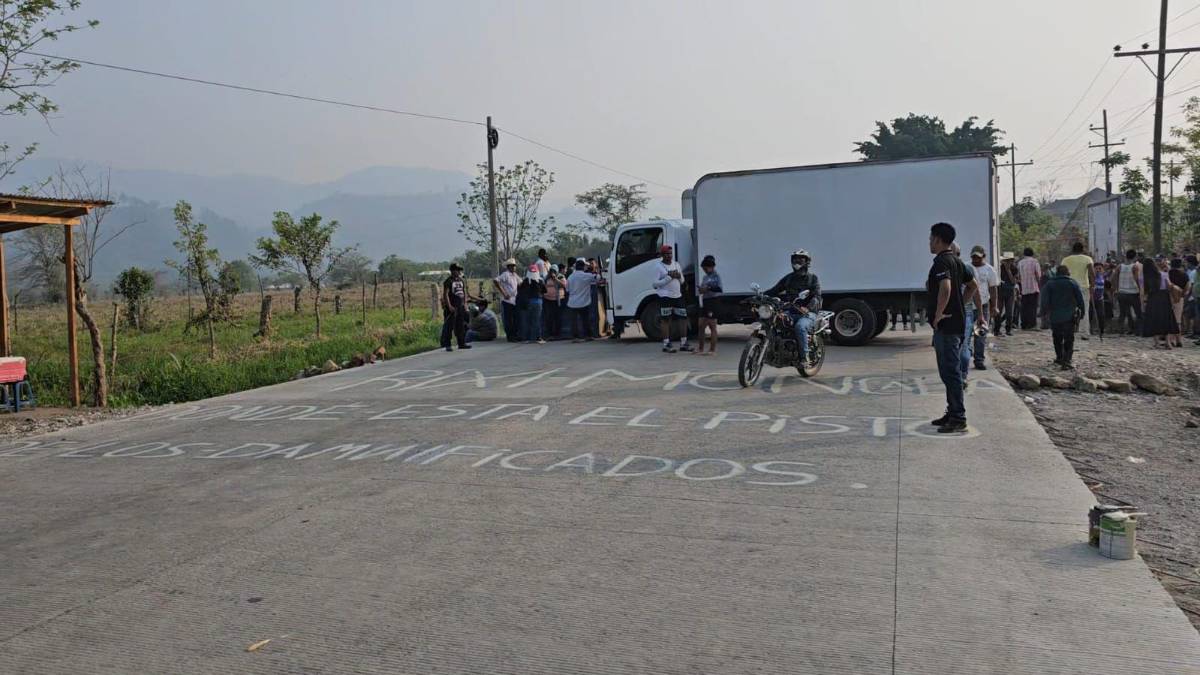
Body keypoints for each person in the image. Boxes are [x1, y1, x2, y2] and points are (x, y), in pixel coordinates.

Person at [927, 222, 979, 434]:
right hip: (956, 323)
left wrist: (939, 314)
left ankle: (958, 417)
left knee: (950, 372)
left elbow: (946, 287)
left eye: (931, 238)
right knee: (950, 371)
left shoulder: (942, 262)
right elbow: (973, 285)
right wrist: (962, 304)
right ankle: (952, 411)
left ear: (938, 239)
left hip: (947, 326)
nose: (929, 243)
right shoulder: (957, 262)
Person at [765, 249, 822, 364]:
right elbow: (774, 290)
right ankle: (772, 350)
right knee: (773, 320)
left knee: (800, 327)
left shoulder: (813, 279)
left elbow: (817, 296)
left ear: (807, 262)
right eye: (795, 260)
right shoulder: (789, 278)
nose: (797, 262)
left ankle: (804, 356)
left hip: (807, 313)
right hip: (791, 310)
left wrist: (809, 307)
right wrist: (761, 296)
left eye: (801, 260)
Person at [1040, 264, 1085, 369]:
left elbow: (1044, 300)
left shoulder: (1049, 284)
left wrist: (1043, 313)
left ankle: (1059, 357)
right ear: (1067, 273)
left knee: (1057, 337)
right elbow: (1080, 299)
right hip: (1069, 316)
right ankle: (1067, 360)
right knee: (1069, 338)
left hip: (1055, 316)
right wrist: (1082, 311)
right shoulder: (1072, 283)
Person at [653, 244, 692, 352]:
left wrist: (679, 276)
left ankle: (684, 343)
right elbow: (655, 284)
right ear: (662, 255)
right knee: (666, 320)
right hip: (665, 296)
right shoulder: (658, 267)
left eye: (670, 253)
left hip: (677, 295)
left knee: (683, 318)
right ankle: (666, 344)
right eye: (666, 254)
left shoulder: (676, 264)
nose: (669, 256)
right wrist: (669, 277)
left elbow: (682, 281)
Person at [967, 245, 997, 370]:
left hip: (984, 305)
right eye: (973, 257)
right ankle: (966, 357)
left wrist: (994, 306)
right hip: (968, 306)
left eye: (978, 257)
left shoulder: (989, 270)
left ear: (984, 256)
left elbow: (993, 288)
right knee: (966, 334)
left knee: (980, 335)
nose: (975, 259)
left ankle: (979, 360)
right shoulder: (967, 267)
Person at [1142, 256, 1178, 349]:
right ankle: (1168, 343)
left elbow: (1144, 292)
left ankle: (1157, 343)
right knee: (1166, 319)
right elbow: (1169, 287)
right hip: (1164, 298)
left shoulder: (1145, 277)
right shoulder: (1163, 274)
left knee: (1154, 319)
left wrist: (1144, 303)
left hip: (1153, 298)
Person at [1061, 242, 1095, 339]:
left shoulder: (1065, 260)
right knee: (1085, 309)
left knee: (1068, 309)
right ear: (1083, 249)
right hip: (1083, 287)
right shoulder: (1087, 259)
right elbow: (1092, 273)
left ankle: (1067, 330)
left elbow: (1062, 272)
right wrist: (1093, 286)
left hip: (1069, 286)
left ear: (1073, 249)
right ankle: (1084, 332)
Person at [439, 264, 473, 352]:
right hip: (452, 306)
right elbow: (446, 294)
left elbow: (464, 292)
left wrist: (465, 304)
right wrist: (449, 306)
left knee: (460, 325)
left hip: (460, 305)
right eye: (457, 270)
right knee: (449, 326)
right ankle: (447, 344)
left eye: (459, 270)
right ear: (452, 271)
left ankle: (461, 343)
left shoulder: (461, 280)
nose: (458, 272)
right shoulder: (448, 281)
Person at [566, 259, 599, 342]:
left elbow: (567, 290)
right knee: (585, 320)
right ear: (583, 267)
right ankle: (588, 336)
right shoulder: (586, 275)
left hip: (573, 303)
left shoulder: (570, 277)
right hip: (584, 302)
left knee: (574, 321)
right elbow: (597, 278)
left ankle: (575, 337)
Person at [1112, 249, 1143, 335]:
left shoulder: (1120, 266)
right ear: (1135, 257)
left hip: (1122, 292)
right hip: (1133, 292)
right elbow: (1137, 279)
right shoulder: (1135, 267)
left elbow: (1113, 277)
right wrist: (1141, 289)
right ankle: (1138, 331)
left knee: (1123, 313)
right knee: (1138, 313)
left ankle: (1121, 330)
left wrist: (1116, 288)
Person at [696, 255, 722, 355]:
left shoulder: (716, 276)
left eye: (705, 268)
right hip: (705, 302)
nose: (704, 270)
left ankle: (712, 350)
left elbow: (719, 289)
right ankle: (700, 348)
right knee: (701, 325)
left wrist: (708, 288)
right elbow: (704, 288)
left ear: (710, 267)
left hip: (713, 302)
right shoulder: (705, 277)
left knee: (712, 326)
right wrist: (701, 289)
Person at [492, 258, 522, 342]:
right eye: (512, 266)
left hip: (514, 300)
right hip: (507, 301)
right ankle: (510, 336)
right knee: (509, 320)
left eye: (514, 266)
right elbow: (496, 281)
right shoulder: (506, 274)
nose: (514, 267)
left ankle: (515, 335)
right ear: (508, 267)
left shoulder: (515, 275)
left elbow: (521, 283)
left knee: (515, 319)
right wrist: (503, 293)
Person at [518, 264, 547, 344]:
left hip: (528, 302)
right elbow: (545, 291)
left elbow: (520, 290)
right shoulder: (540, 280)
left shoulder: (525, 281)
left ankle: (527, 338)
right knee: (537, 320)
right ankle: (538, 338)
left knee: (527, 320)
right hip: (538, 302)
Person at [1017, 247, 1042, 329]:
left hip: (1024, 289)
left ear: (1024, 254)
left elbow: (1019, 276)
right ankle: (1032, 324)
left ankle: (1024, 324)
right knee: (1033, 307)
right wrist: (1039, 284)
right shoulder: (1035, 262)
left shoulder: (1020, 263)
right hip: (1033, 288)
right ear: (1032, 253)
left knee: (1024, 307)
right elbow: (1038, 275)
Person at [995, 252, 1018, 337]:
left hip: (1010, 292)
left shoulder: (1014, 269)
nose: (1008, 262)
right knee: (999, 311)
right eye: (1006, 261)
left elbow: (1013, 281)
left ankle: (1008, 329)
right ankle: (996, 329)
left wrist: (1008, 271)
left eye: (1010, 261)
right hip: (1000, 290)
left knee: (1009, 312)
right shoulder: (999, 268)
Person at [1168, 258, 1190, 349]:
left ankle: (1171, 340)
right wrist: (1182, 294)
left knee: (1169, 319)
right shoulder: (1184, 275)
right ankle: (1179, 340)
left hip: (1168, 298)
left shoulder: (1167, 274)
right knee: (1178, 321)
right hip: (1179, 298)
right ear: (1180, 265)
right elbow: (1187, 287)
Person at [542, 264, 564, 340]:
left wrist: (555, 279)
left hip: (558, 300)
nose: (552, 272)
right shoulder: (546, 277)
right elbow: (543, 286)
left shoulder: (560, 276)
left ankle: (558, 334)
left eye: (554, 271)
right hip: (548, 300)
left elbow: (564, 285)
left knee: (558, 317)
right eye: (551, 271)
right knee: (549, 318)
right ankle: (550, 334)